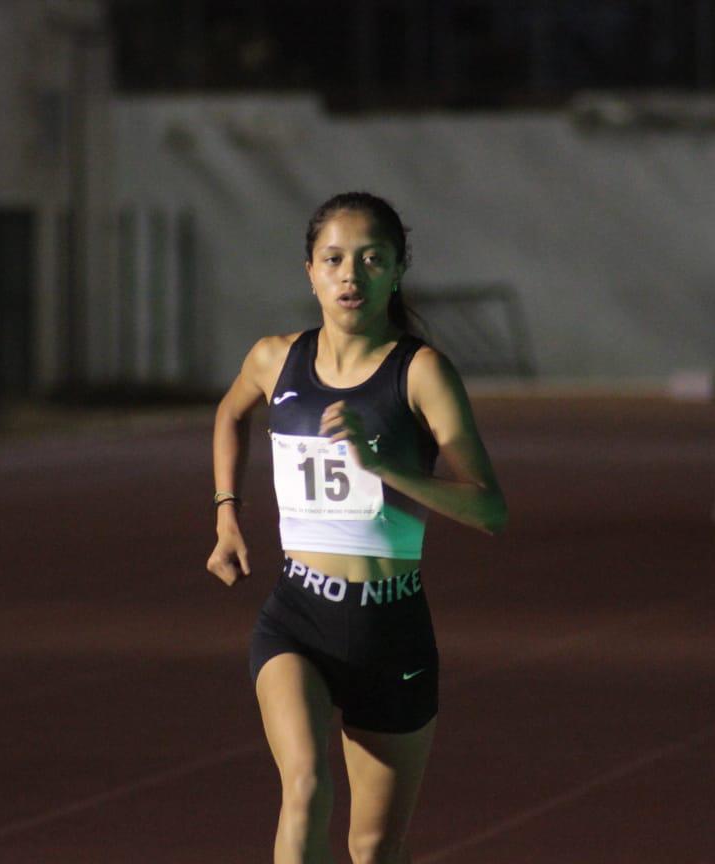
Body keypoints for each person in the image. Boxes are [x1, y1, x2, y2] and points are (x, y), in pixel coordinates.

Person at [206, 191, 507, 864]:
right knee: (307, 786)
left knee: (373, 850)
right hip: (297, 618)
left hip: (391, 631)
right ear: (309, 270)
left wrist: (387, 469)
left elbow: (490, 509)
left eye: (372, 259)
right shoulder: (274, 359)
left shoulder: (421, 373)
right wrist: (227, 514)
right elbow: (230, 414)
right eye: (334, 259)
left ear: (398, 270)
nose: (351, 275)